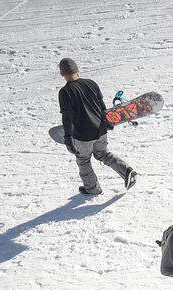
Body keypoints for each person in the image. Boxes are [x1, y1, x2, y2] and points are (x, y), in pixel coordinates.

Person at [57, 58, 137, 196]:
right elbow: (101, 106)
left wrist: (68, 138)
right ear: (77, 69)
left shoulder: (65, 92)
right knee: (103, 154)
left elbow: (67, 116)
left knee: (83, 160)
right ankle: (127, 171)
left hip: (82, 135)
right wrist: (108, 122)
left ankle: (92, 188)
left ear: (62, 73)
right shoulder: (91, 83)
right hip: (100, 129)